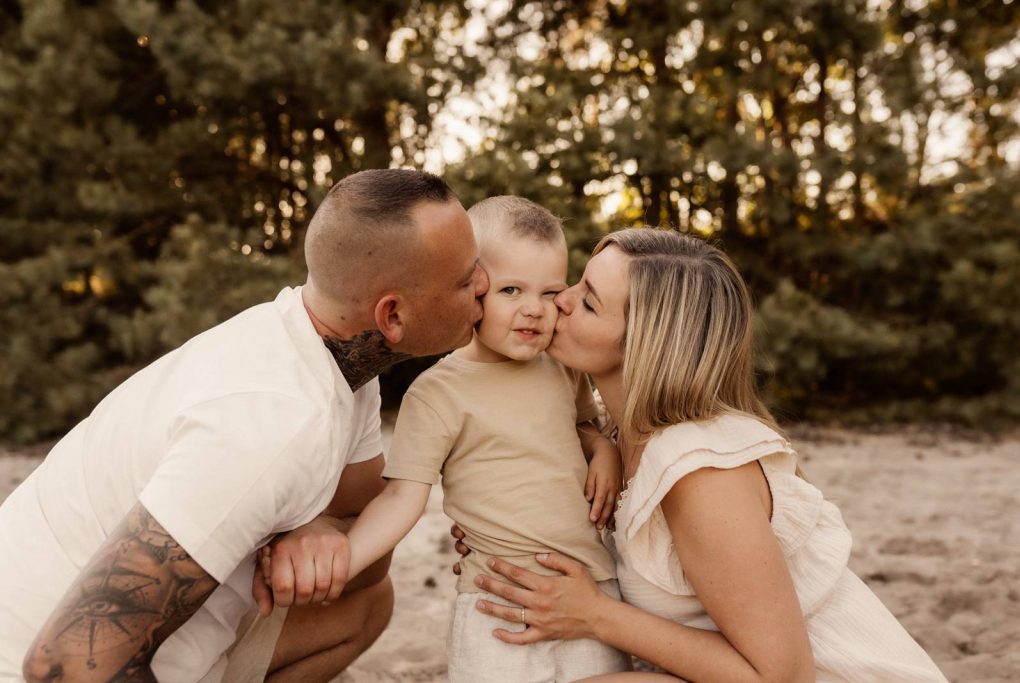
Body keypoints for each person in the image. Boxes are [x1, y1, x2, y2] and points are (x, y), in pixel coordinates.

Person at [0, 169, 489, 682]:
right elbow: (66, 667)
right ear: (391, 316)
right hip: (46, 662)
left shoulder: (334, 361)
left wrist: (314, 528)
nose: (484, 283)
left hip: (112, 644)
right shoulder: (272, 423)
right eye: (464, 278)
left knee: (364, 605)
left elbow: (367, 562)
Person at [464, 227, 948, 681]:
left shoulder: (700, 469)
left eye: (588, 303)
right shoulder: (621, 441)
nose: (559, 301)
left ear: (644, 345)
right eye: (576, 285)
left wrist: (596, 616)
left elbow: (783, 677)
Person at [317, 196, 631, 682]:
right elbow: (402, 495)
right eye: (511, 290)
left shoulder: (563, 368)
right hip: (497, 601)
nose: (533, 310)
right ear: (474, 288)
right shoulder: (438, 394)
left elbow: (580, 426)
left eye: (551, 293)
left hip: (592, 590)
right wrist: (345, 561)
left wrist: (604, 448)